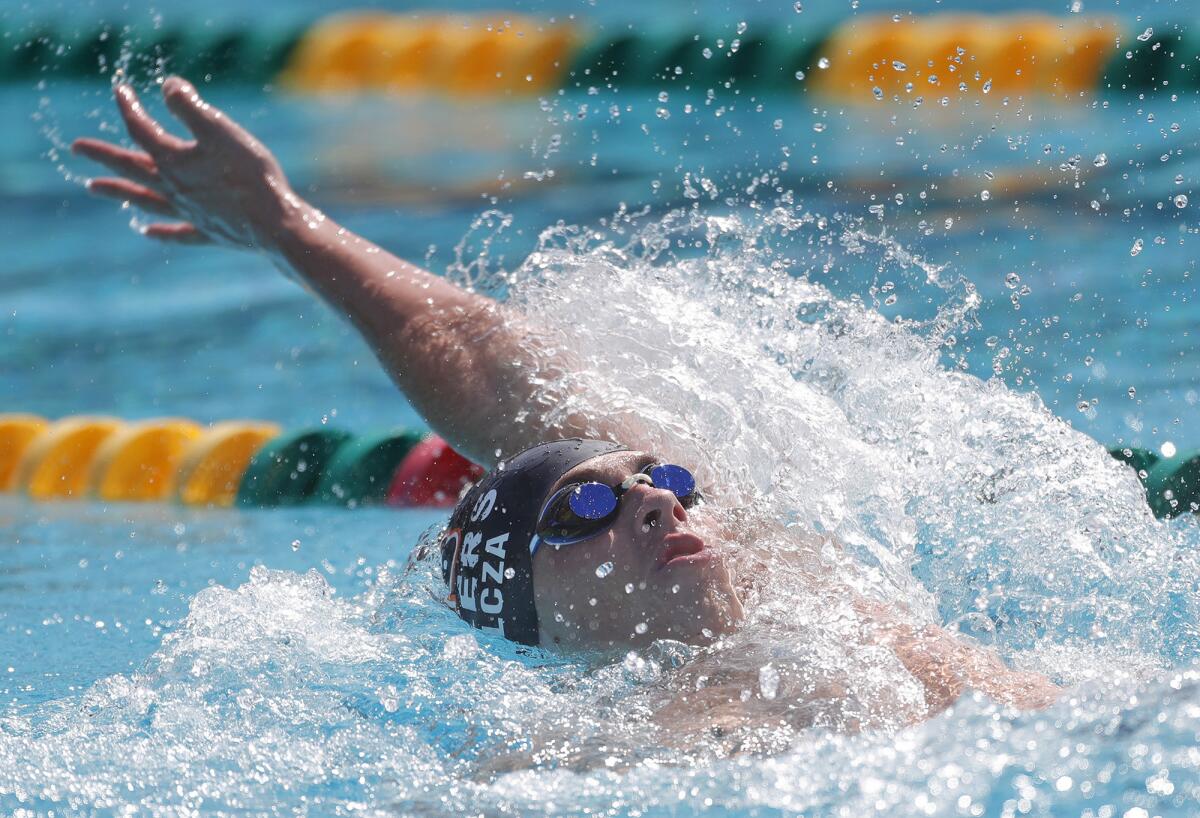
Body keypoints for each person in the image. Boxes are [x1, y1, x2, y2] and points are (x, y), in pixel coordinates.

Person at [73, 77, 1061, 731]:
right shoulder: (611, 746)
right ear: (533, 601)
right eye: (585, 506)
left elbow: (494, 370)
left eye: (661, 480)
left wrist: (290, 227)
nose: (661, 499)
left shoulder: (774, 569)